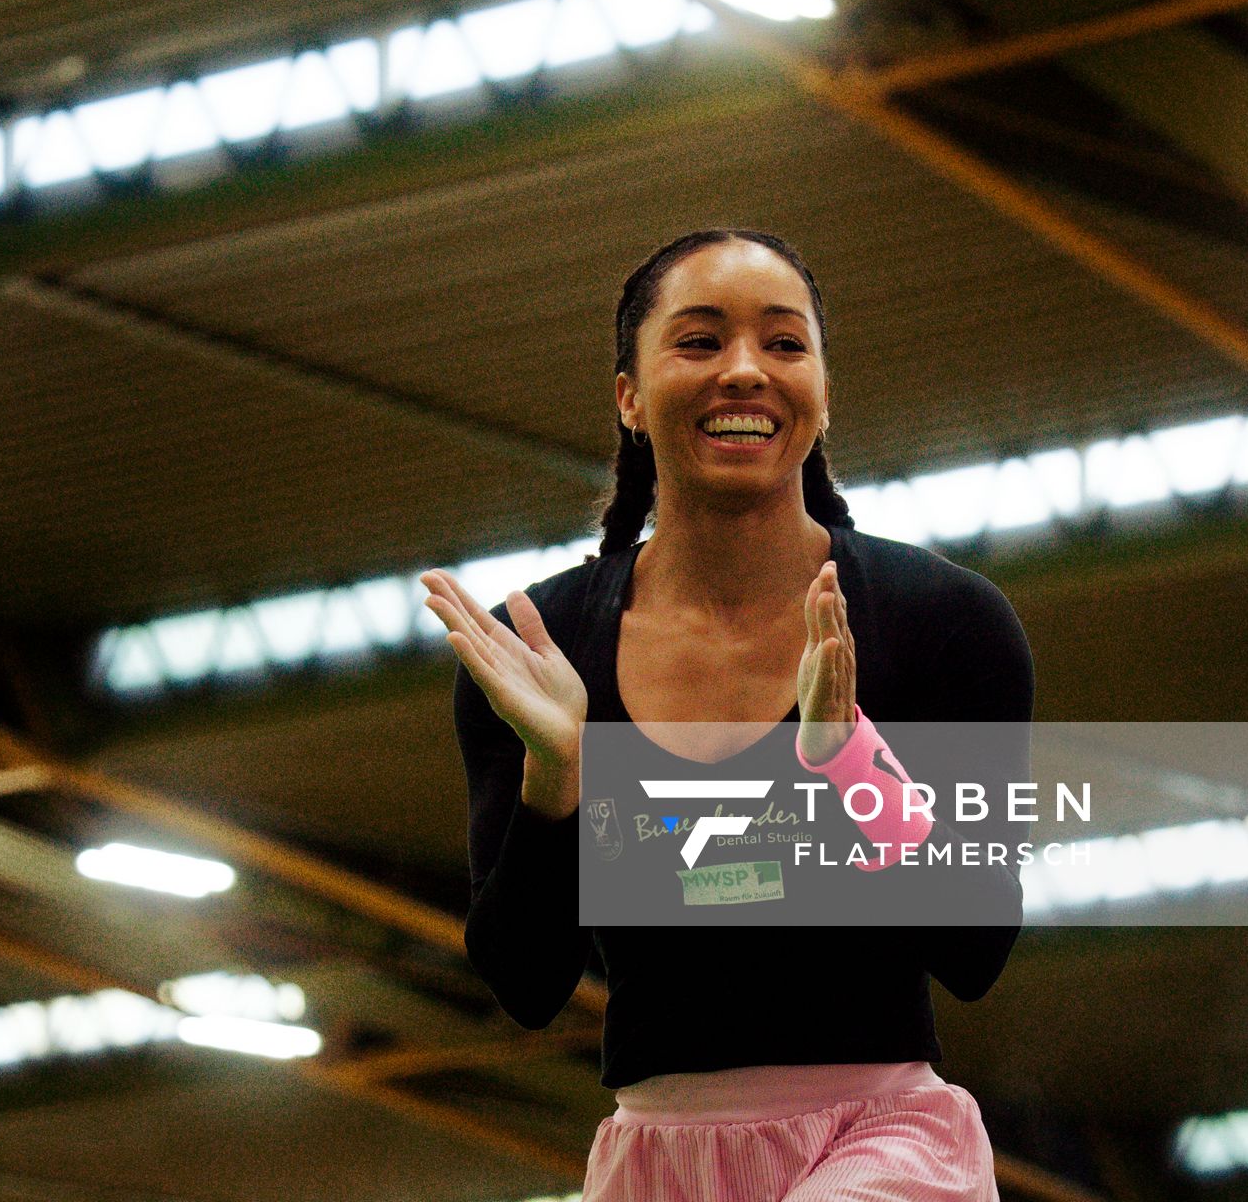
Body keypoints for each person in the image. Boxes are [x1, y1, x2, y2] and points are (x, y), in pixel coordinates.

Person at [420, 229, 1035, 1202]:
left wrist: (852, 765)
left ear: (823, 390)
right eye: (699, 342)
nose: (746, 370)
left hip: (883, 1140)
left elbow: (976, 946)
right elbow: (526, 982)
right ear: (628, 394)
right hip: (656, 1153)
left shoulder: (942, 622)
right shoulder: (542, 650)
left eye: (785, 344)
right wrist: (559, 777)